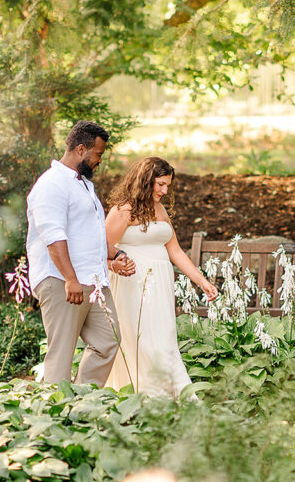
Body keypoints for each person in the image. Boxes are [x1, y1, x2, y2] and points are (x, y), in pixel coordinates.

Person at [25, 120, 136, 385]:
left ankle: (81, 402)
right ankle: (53, 414)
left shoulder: (83, 184)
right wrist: (71, 279)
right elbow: (53, 236)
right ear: (81, 149)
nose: (100, 161)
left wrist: (114, 255)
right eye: (98, 154)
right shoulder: (51, 184)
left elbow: (89, 235)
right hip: (62, 280)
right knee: (61, 353)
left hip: (93, 280)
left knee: (107, 340)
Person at [104, 156, 218, 398]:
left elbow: (175, 250)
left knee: (164, 341)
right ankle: (145, 396)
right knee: (143, 341)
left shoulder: (160, 209)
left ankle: (169, 395)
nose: (165, 191)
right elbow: (101, 249)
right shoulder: (123, 209)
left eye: (168, 185)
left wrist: (202, 281)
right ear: (145, 181)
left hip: (161, 285)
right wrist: (115, 266)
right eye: (161, 184)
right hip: (132, 284)